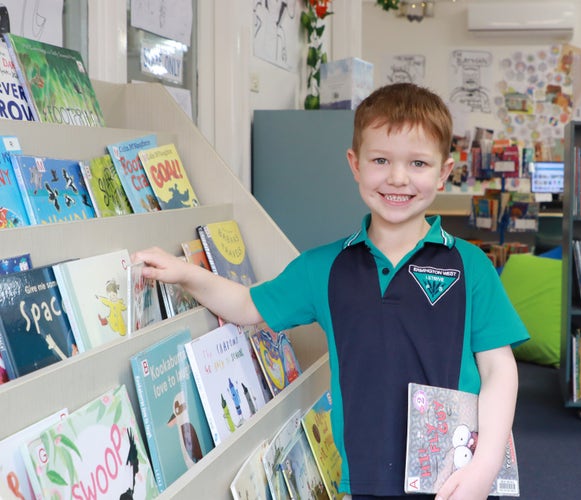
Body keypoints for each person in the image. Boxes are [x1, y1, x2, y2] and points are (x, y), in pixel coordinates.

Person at [131, 82, 529, 499]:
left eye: (417, 163)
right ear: (354, 165)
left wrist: (485, 465)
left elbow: (499, 370)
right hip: (365, 476)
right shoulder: (324, 267)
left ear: (444, 172)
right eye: (380, 160)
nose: (397, 177)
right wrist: (187, 273)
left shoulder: (470, 265)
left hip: (456, 476)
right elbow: (249, 306)